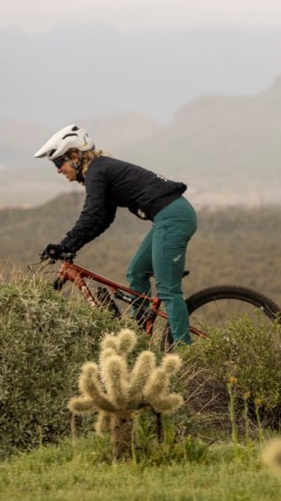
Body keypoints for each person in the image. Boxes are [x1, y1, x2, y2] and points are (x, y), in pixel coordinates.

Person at [35, 124, 199, 345]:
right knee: (136, 272)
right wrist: (70, 247)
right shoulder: (100, 171)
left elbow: (91, 214)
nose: (58, 170)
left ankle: (185, 353)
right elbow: (102, 219)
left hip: (173, 217)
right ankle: (138, 339)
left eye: (58, 162)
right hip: (169, 216)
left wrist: (66, 244)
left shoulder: (96, 171)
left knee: (168, 289)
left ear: (74, 156)